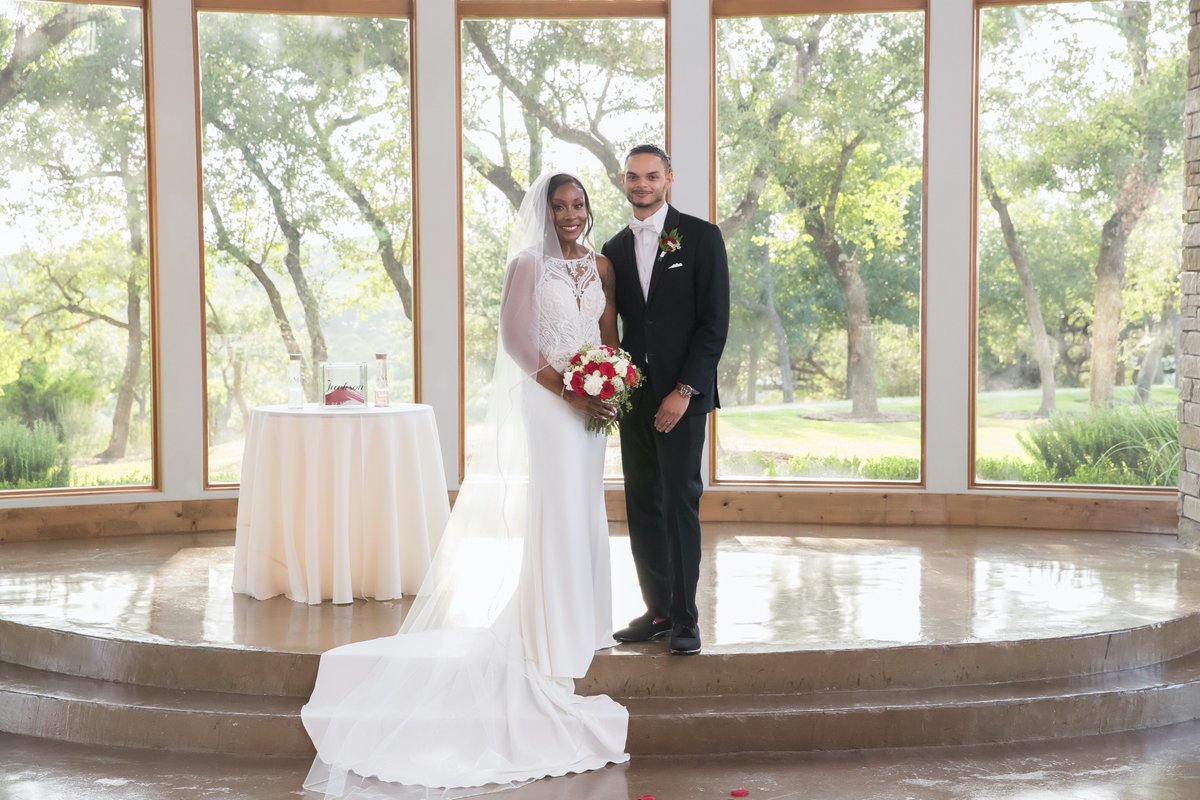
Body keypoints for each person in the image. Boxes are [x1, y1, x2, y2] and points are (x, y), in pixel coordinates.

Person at [300, 172, 629, 798]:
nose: (569, 213)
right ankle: (547, 631)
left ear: (589, 209)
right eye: (559, 205)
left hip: (595, 404)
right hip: (552, 402)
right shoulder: (528, 265)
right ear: (544, 210)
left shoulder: (602, 265)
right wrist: (570, 391)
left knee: (585, 507)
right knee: (557, 507)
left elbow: (607, 334)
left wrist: (612, 383)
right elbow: (515, 339)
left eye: (578, 204)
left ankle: (582, 620)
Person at [602, 144, 730, 656]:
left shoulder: (701, 237)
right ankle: (656, 609)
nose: (642, 184)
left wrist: (684, 390)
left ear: (669, 179)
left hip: (683, 396)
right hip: (635, 398)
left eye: (652, 176)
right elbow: (619, 324)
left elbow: (713, 325)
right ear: (623, 180)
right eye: (633, 177)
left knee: (680, 502)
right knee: (643, 504)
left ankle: (685, 617)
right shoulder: (612, 247)